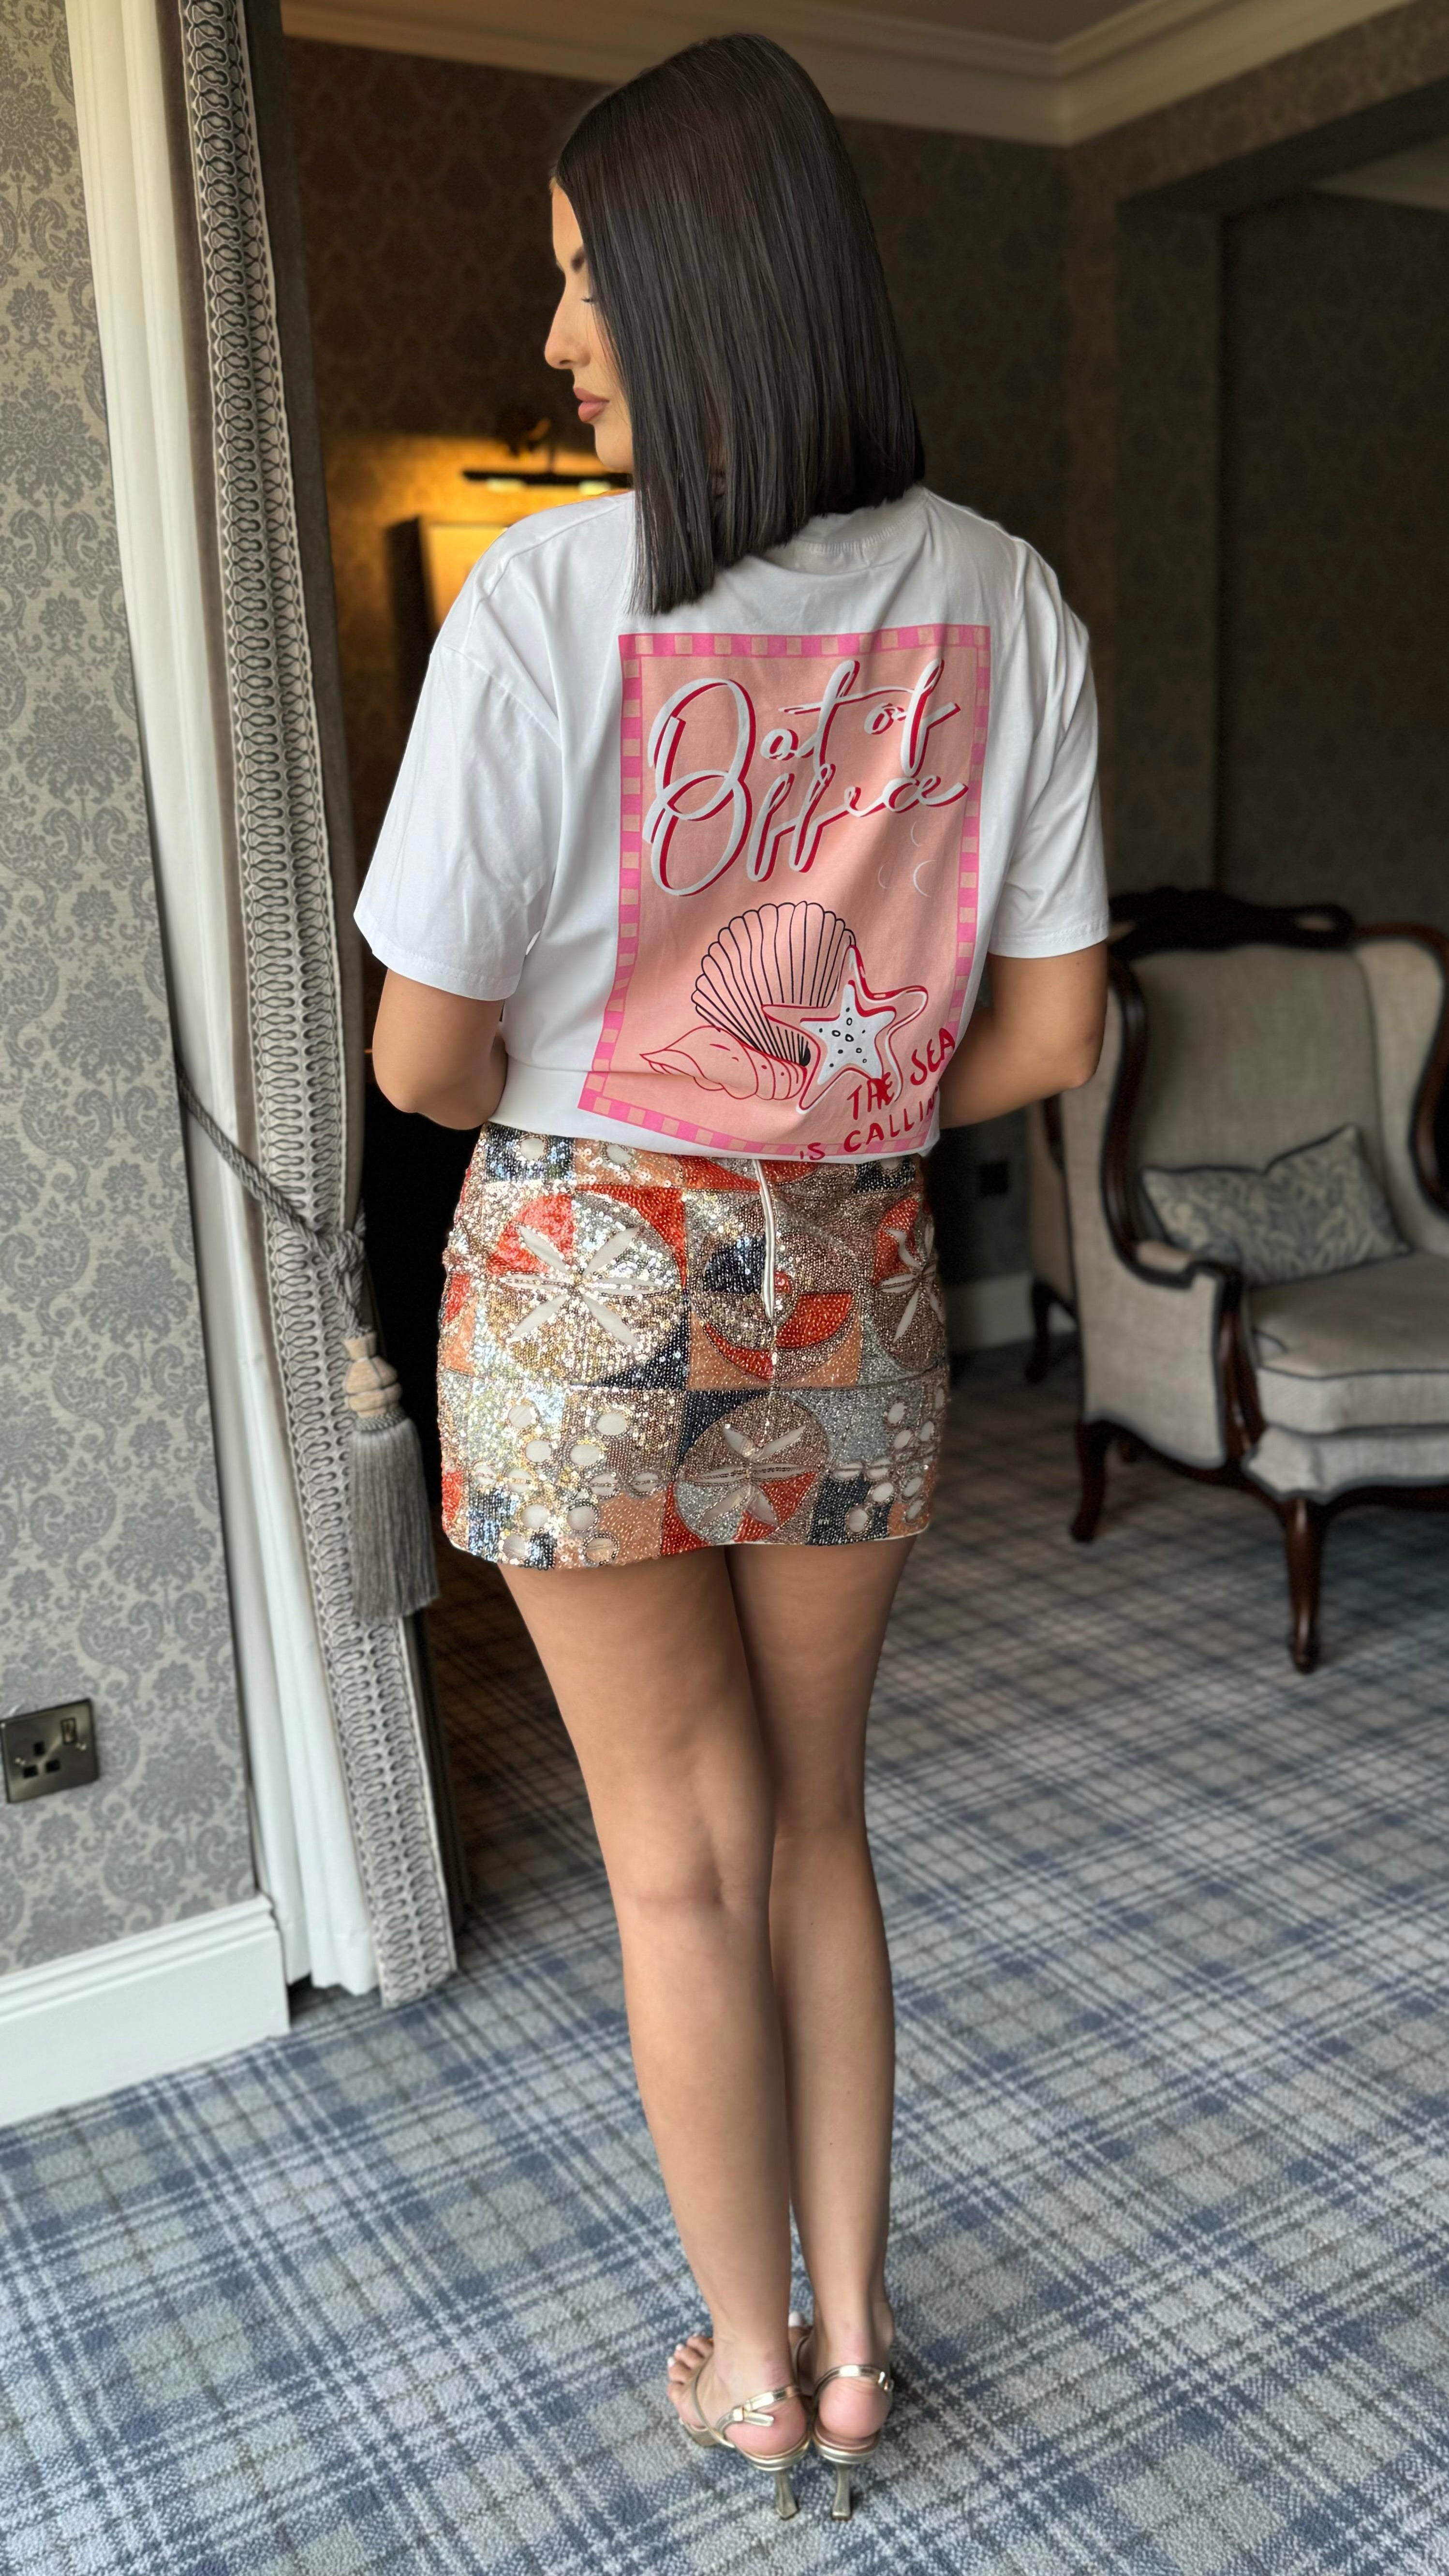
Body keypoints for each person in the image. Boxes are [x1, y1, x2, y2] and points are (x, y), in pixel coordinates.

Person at [358, 32, 1107, 2524]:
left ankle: (752, 2376)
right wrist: (817, 1099)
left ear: (700, 281)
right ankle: (862, 2348)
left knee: (672, 1863)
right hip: (850, 1270)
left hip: (583, 1273)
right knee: (815, 1831)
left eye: (583, 280)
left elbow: (422, 1056)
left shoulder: (546, 594)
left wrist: (625, 1101)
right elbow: (1051, 1037)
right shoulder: (1002, 595)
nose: (555, 338)